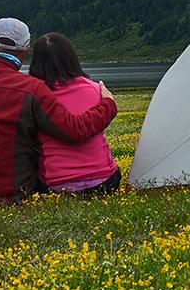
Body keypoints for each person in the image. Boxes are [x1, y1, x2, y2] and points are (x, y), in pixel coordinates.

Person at [0, 16, 117, 201]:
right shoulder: (33, 88)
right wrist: (108, 104)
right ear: (25, 51)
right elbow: (74, 129)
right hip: (14, 194)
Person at [27, 32, 122, 195]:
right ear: (71, 58)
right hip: (105, 180)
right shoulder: (95, 88)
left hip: (55, 185)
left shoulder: (34, 95)